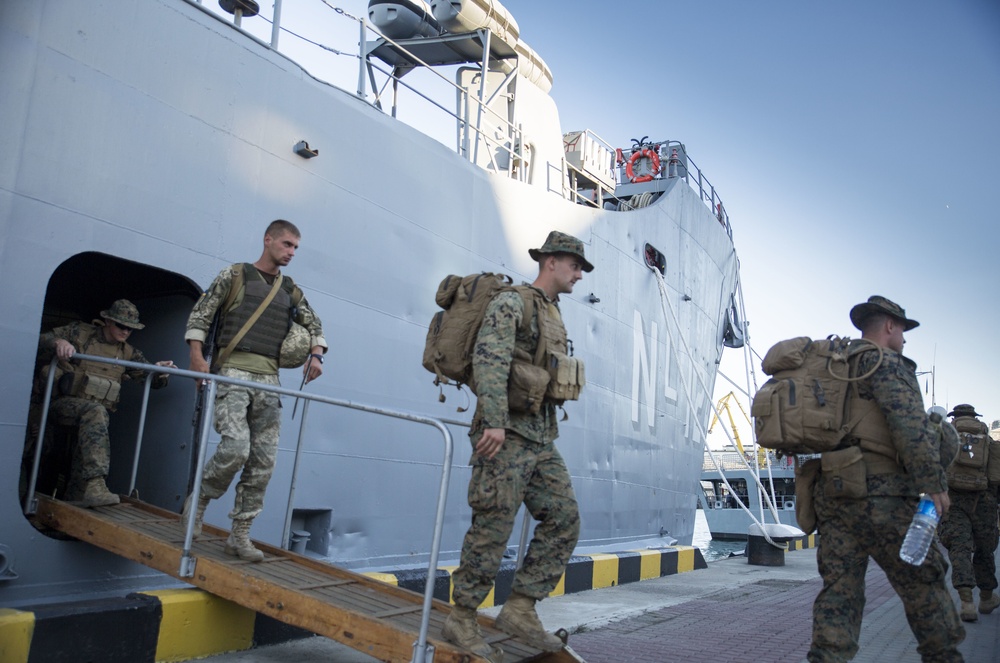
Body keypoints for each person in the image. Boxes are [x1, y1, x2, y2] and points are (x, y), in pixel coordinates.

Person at [442, 231, 592, 660]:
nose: (579, 275)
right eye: (575, 266)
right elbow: (490, 359)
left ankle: (521, 608)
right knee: (492, 527)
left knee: (564, 518)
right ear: (550, 262)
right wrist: (493, 422)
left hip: (541, 436)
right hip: (504, 434)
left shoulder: (551, 310)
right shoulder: (512, 302)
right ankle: (462, 617)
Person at [807, 296, 964, 662]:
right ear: (890, 326)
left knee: (839, 593)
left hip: (834, 493)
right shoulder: (885, 363)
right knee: (923, 584)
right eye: (903, 331)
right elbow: (909, 426)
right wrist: (934, 483)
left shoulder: (834, 368)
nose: (905, 339)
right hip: (883, 496)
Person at [183, 219, 327, 562]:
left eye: (295, 247)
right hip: (233, 373)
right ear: (268, 240)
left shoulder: (290, 289)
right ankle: (199, 500)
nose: (291, 252)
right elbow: (201, 315)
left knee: (263, 461)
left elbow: (314, 324)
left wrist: (317, 355)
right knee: (235, 448)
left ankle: (240, 535)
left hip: (269, 381)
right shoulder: (234, 275)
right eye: (287, 244)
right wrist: (196, 357)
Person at [36, 299, 175, 507]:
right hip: (61, 406)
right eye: (121, 325)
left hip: (90, 424)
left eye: (130, 328)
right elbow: (41, 339)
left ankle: (77, 502)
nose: (125, 331)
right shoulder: (79, 333)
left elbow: (150, 380)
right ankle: (96, 485)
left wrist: (160, 371)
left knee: (79, 471)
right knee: (94, 413)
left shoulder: (128, 353)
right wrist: (59, 342)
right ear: (108, 321)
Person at [938, 403, 1000, 622]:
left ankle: (966, 603)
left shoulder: (945, 438)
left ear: (954, 417)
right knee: (984, 550)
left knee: (959, 548)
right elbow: (996, 477)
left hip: (953, 500)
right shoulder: (988, 441)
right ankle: (986, 598)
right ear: (975, 417)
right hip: (984, 501)